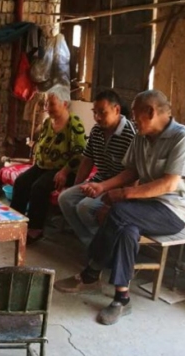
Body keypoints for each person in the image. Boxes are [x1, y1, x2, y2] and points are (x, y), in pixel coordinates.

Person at [54, 90, 185, 325]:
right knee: (126, 229)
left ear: (150, 112)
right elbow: (131, 172)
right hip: (144, 206)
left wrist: (123, 195)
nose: (132, 119)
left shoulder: (183, 137)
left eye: (135, 114)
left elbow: (169, 184)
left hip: (172, 211)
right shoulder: (141, 137)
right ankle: (122, 298)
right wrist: (104, 187)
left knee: (119, 212)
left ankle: (91, 273)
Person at [58, 90, 136, 246]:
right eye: (95, 112)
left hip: (117, 187)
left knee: (85, 207)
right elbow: (87, 160)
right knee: (65, 199)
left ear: (116, 110)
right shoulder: (97, 130)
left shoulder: (130, 135)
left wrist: (122, 198)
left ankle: (104, 245)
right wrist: (77, 186)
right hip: (98, 181)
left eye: (102, 112)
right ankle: (91, 243)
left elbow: (133, 174)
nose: (97, 117)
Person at [10, 87, 86, 244]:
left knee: (39, 187)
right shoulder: (47, 122)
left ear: (64, 103)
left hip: (64, 169)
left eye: (52, 104)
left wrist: (64, 172)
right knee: (21, 182)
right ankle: (16, 222)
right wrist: (35, 161)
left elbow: (80, 154)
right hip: (43, 166)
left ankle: (35, 228)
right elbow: (41, 144)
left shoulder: (74, 123)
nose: (47, 108)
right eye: (46, 104)